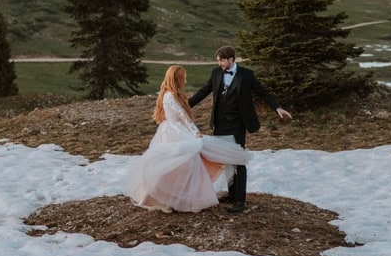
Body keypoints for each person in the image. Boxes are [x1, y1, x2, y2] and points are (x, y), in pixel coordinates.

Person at [125, 65, 249, 213]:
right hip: (176, 132)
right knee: (178, 165)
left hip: (172, 130)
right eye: (183, 77)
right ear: (177, 79)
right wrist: (196, 132)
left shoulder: (170, 93)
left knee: (177, 166)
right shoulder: (170, 95)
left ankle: (177, 198)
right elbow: (182, 117)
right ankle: (169, 198)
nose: (185, 79)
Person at [189, 46, 292, 213]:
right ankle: (231, 194)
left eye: (222, 60)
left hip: (237, 124)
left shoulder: (246, 75)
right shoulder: (216, 73)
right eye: (219, 61)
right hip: (219, 123)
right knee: (225, 159)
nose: (220, 63)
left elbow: (262, 92)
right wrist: (185, 107)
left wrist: (277, 107)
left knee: (238, 160)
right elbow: (204, 91)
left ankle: (240, 200)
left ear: (231, 59)